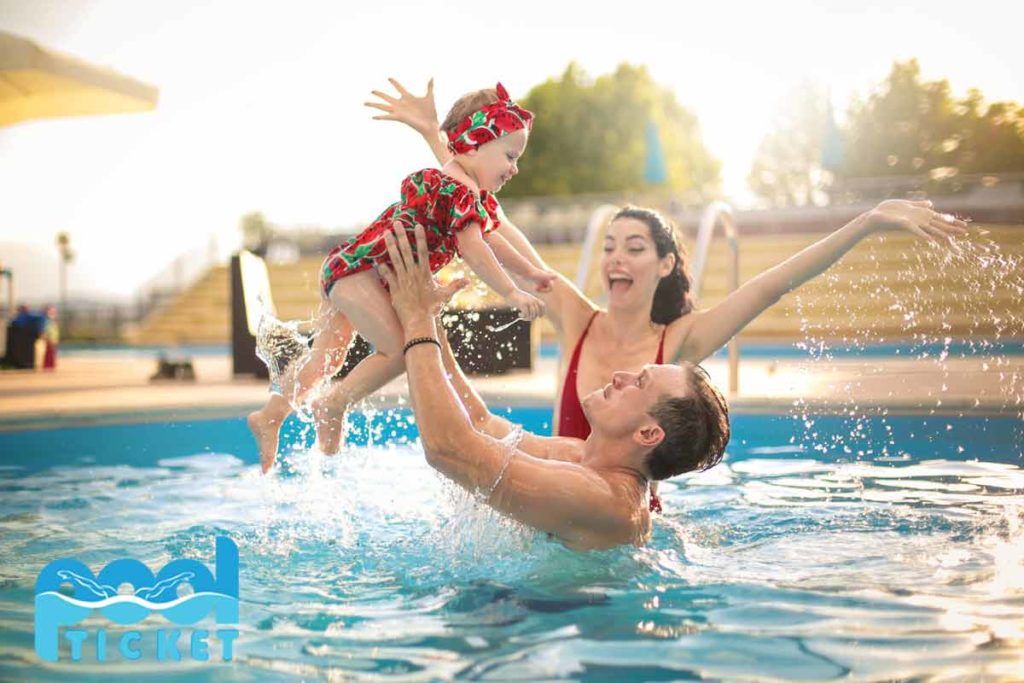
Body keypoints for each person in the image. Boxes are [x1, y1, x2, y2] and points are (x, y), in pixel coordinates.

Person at [359, 78, 971, 466]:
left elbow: (773, 283)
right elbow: (486, 217)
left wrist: (866, 221)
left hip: (610, 519)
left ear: (666, 264)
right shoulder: (575, 316)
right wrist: (436, 141)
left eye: (634, 248)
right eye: (609, 247)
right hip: (549, 495)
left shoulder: (677, 345)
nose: (615, 260)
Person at [248, 83, 555, 472]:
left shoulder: (462, 189)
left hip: (350, 268)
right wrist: (511, 290)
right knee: (399, 352)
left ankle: (271, 414)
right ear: (475, 145)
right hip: (363, 273)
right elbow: (477, 251)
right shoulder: (458, 191)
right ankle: (333, 403)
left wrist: (530, 271)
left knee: (329, 355)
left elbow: (492, 237)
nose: (515, 168)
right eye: (510, 156)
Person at [379, 222, 730, 550]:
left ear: (648, 434)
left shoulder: (602, 499)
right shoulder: (580, 457)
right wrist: (428, 314)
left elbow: (449, 450)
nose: (621, 377)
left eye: (639, 382)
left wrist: (417, 320)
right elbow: (480, 425)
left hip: (556, 613)